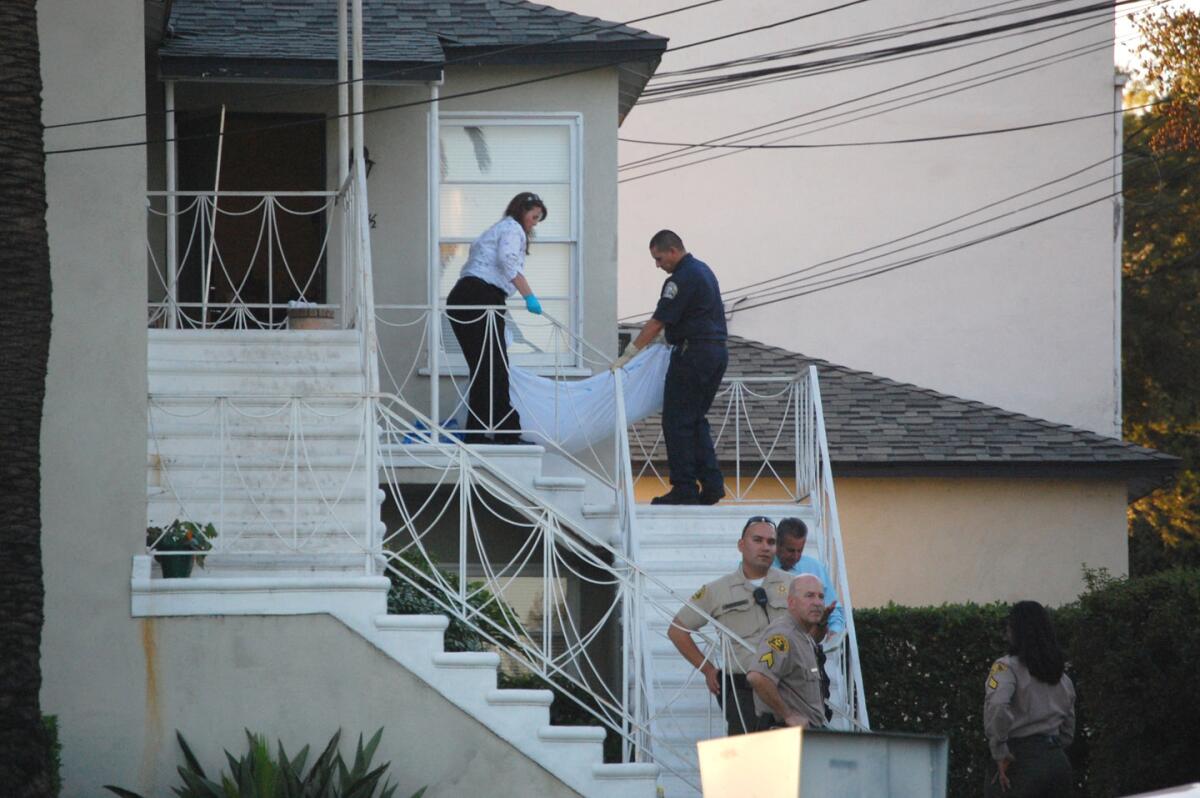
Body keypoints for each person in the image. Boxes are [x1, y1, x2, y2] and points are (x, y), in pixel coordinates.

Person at [613, 230, 727, 505]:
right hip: (715, 352)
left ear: (673, 251)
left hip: (693, 354)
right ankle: (711, 484)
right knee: (695, 419)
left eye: (659, 258)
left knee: (676, 421)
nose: (658, 265)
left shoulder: (680, 279)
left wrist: (628, 354)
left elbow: (657, 322)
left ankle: (685, 487)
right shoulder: (704, 271)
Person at [667, 516, 791, 735]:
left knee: (792, 762)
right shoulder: (717, 590)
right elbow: (678, 631)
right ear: (741, 545)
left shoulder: (794, 585)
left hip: (788, 686)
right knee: (745, 760)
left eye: (771, 542)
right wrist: (707, 669)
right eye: (758, 540)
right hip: (744, 692)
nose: (765, 547)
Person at [446, 192, 547, 444]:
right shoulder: (513, 229)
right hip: (480, 296)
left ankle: (480, 433)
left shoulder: (497, 229)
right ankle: (503, 432)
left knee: (485, 368)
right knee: (493, 368)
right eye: (534, 217)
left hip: (465, 296)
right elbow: (508, 260)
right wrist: (529, 296)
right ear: (522, 211)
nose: (534, 223)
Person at [984, 601, 1076, 798]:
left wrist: (999, 750)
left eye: (1009, 626)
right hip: (1057, 762)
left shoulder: (1005, 668)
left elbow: (998, 705)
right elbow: (1069, 723)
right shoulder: (1060, 673)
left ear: (1017, 630)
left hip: (1020, 759)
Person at [747, 574, 829, 730]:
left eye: (821, 597)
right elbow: (757, 677)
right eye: (809, 596)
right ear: (791, 602)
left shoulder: (803, 636)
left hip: (807, 734)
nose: (818, 603)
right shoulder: (783, 635)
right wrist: (788, 715)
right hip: (784, 733)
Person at [775, 518, 845, 638]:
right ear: (777, 544)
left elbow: (834, 608)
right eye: (790, 550)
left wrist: (834, 630)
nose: (796, 556)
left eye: (800, 550)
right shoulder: (763, 568)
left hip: (809, 643)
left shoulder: (815, 567)